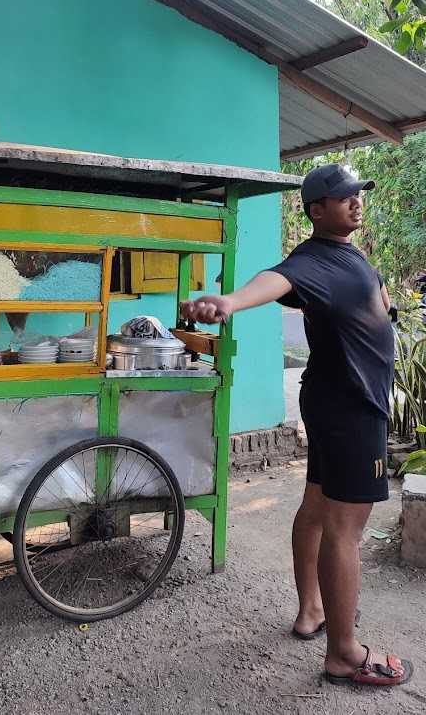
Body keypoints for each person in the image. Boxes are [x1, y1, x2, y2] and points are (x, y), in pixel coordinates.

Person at [181, 163, 412, 688]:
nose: (357, 203)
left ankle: (311, 610)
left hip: (333, 400)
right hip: (352, 409)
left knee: (316, 506)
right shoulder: (313, 260)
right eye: (345, 197)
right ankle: (346, 654)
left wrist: (382, 310)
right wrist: (230, 302)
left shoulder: (342, 256)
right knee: (345, 529)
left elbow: (343, 297)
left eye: (359, 194)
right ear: (316, 210)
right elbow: (276, 279)